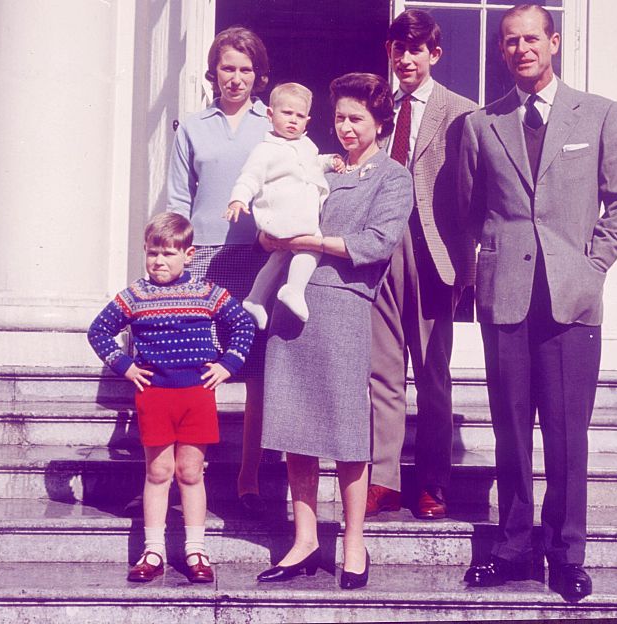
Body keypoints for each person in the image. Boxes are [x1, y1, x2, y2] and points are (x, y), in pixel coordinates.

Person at [458, 4, 617, 602]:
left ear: (553, 43)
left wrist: (592, 271)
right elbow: (467, 207)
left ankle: (566, 553)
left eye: (530, 38)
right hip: (505, 296)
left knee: (566, 436)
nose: (520, 49)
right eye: (509, 42)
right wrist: (480, 266)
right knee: (511, 430)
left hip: (572, 301)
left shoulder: (600, 114)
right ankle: (513, 547)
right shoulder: (483, 124)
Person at [256, 73, 413, 589]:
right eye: (339, 117)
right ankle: (303, 541)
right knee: (294, 426)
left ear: (379, 123)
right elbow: (278, 209)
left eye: (356, 119)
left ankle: (353, 542)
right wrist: (271, 233)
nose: (344, 128)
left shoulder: (392, 177)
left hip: (345, 305)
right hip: (291, 306)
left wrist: (315, 240)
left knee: (347, 431)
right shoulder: (315, 165)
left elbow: (376, 242)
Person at [87, 212, 255, 583]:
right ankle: (153, 551)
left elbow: (243, 324)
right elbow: (99, 331)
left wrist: (228, 363)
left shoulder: (206, 292)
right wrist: (125, 365)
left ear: (189, 254)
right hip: (154, 396)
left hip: (196, 395)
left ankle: (196, 550)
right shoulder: (135, 296)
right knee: (159, 471)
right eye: (152, 253)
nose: (158, 261)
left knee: (191, 473)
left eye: (168, 253)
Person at [367, 9, 477, 521]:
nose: (405, 58)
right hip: (379, 254)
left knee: (433, 373)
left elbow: (476, 194)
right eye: (398, 48)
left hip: (433, 255)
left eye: (415, 50)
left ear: (434, 54)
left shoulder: (462, 112)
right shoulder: (374, 108)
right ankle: (384, 480)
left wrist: (466, 260)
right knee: (382, 372)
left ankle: (433, 482)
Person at [167, 26, 271, 516]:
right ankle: (189, 472)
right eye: (228, 67)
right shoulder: (191, 126)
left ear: (258, 75)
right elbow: (177, 201)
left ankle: (248, 478)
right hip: (203, 258)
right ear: (214, 72)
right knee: (194, 371)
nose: (236, 78)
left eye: (245, 69)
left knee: (253, 372)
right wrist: (178, 263)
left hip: (257, 257)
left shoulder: (273, 124)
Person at [226, 82, 345, 329]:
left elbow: (312, 163)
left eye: (299, 116)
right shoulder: (265, 150)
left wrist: (330, 161)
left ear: (307, 121)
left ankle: (255, 298)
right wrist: (238, 198)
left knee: (279, 257)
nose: (293, 120)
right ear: (270, 115)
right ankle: (294, 289)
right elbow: (250, 176)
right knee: (313, 246)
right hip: (284, 215)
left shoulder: (306, 145)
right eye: (286, 113)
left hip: (293, 216)